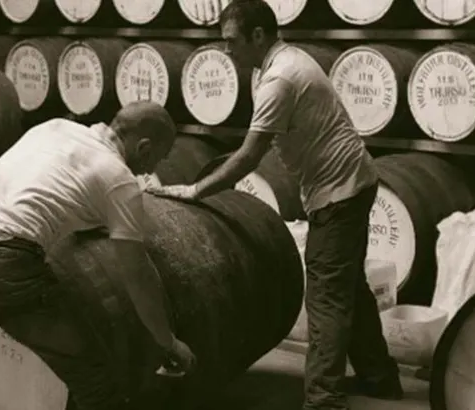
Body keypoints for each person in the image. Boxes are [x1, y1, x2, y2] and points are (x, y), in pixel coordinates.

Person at [147, 1, 403, 408]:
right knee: (348, 287)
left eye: (231, 41)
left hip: (339, 193)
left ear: (258, 36)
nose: (226, 51)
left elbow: (249, 156)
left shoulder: (280, 78)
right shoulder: (276, 64)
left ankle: (323, 401)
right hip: (350, 184)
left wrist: (195, 192)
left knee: (325, 298)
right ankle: (379, 377)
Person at [0, 102, 197, 410]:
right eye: (156, 159)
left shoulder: (53, 128)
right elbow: (137, 275)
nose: (151, 171)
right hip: (5, 262)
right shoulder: (119, 179)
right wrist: (168, 342)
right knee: (94, 380)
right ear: (144, 145)